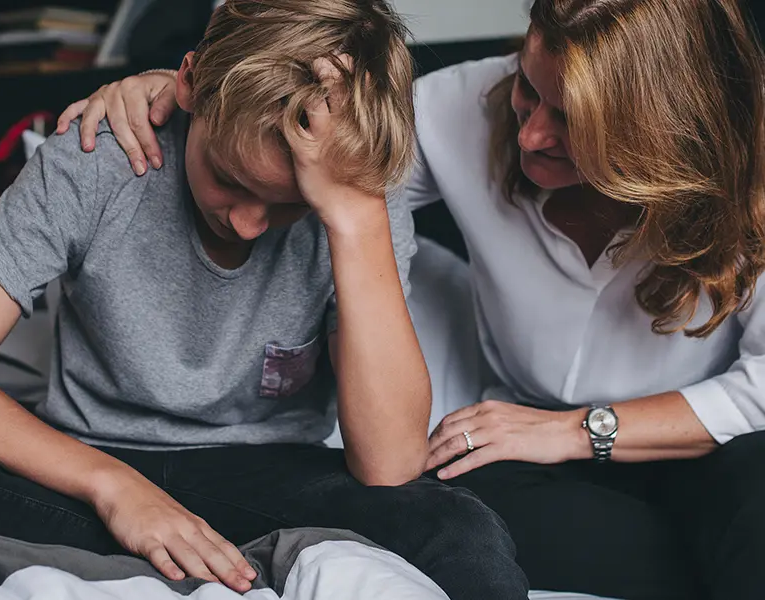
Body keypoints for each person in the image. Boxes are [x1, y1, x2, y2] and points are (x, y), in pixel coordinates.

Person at [70, 0, 765, 599]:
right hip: (520, 453)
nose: (530, 134)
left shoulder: (749, 177)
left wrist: (576, 429)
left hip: (711, 450)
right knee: (442, 514)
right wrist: (177, 93)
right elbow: (315, 151)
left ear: (665, 131)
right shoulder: (460, 108)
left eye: (574, 121)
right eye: (529, 87)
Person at [0, 2, 530, 599]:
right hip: (89, 460)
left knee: (458, 528)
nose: (249, 224)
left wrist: (353, 217)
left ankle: (221, 560)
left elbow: (388, 465)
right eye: (230, 179)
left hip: (266, 475)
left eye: (289, 204)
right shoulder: (101, 160)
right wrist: (112, 487)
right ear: (188, 84)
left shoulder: (357, 201)